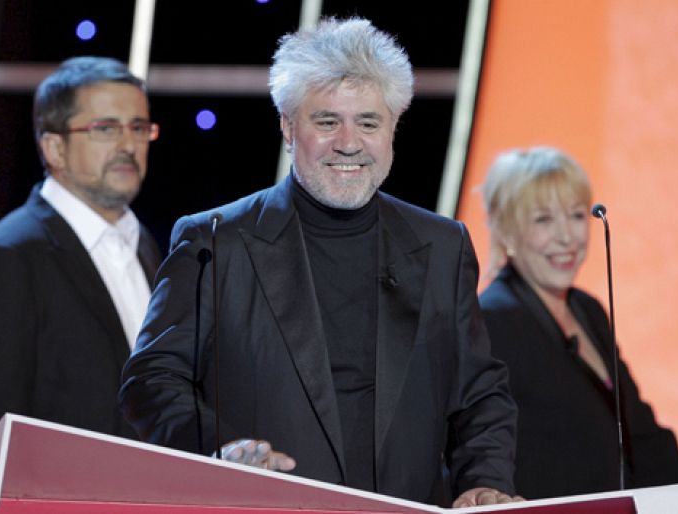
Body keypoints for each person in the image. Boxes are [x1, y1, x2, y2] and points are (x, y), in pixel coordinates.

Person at [119, 18, 520, 508]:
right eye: (327, 122)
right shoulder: (216, 241)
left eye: (368, 123)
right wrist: (221, 451)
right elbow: (152, 380)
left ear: (393, 128)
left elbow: (478, 392)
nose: (349, 142)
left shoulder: (442, 245)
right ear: (288, 127)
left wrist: (482, 481)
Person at [0, 56, 162, 472]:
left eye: (138, 127)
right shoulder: (10, 256)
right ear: (55, 147)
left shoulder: (145, 244)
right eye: (105, 128)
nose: (128, 144)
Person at [478, 146, 678, 499]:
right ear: (506, 231)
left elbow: (638, 429)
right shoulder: (491, 320)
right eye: (543, 219)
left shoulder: (588, 309)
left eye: (576, 215)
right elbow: (490, 449)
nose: (567, 236)